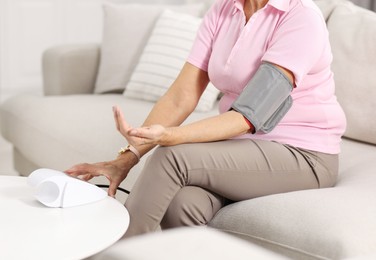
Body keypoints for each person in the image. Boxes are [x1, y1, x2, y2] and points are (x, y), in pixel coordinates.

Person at [65, 0, 346, 237]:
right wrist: (126, 159)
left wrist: (170, 137)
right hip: (243, 148)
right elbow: (182, 96)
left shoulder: (300, 17)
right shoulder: (224, 10)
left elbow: (249, 115)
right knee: (182, 203)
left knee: (172, 157)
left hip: (304, 155)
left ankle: (117, 253)